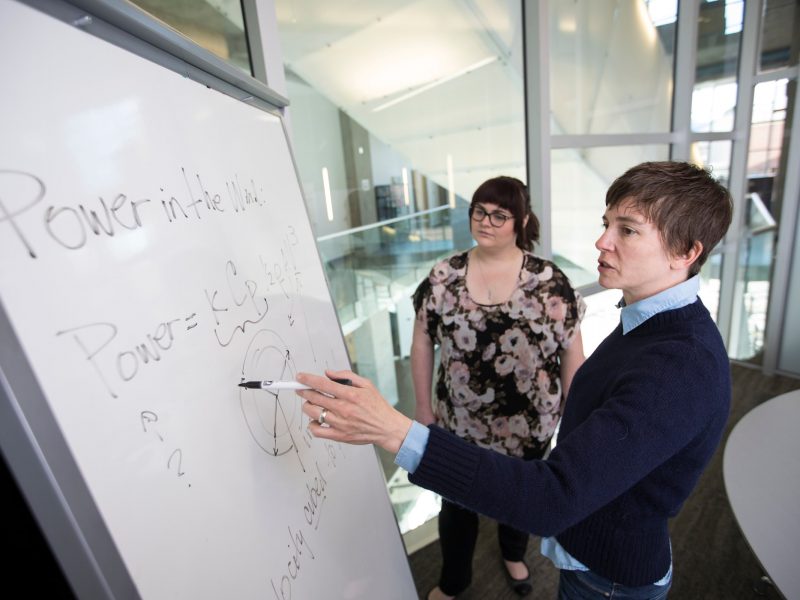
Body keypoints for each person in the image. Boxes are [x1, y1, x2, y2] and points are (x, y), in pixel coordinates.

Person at [297, 161, 733, 600]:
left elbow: (550, 499)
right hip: (588, 550)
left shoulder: (679, 364)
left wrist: (393, 429)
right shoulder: (646, 324)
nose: (602, 242)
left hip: (609, 578)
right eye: (606, 224)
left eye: (628, 230)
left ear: (685, 252)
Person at [410, 176, 585, 599]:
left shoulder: (549, 281)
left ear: (521, 221)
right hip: (458, 422)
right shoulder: (443, 277)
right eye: (479, 211)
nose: (485, 222)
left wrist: (575, 420)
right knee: (455, 507)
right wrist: (423, 410)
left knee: (520, 500)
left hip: (529, 426)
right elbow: (421, 342)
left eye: (499, 215)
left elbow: (572, 356)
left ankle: (513, 554)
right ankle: (454, 580)